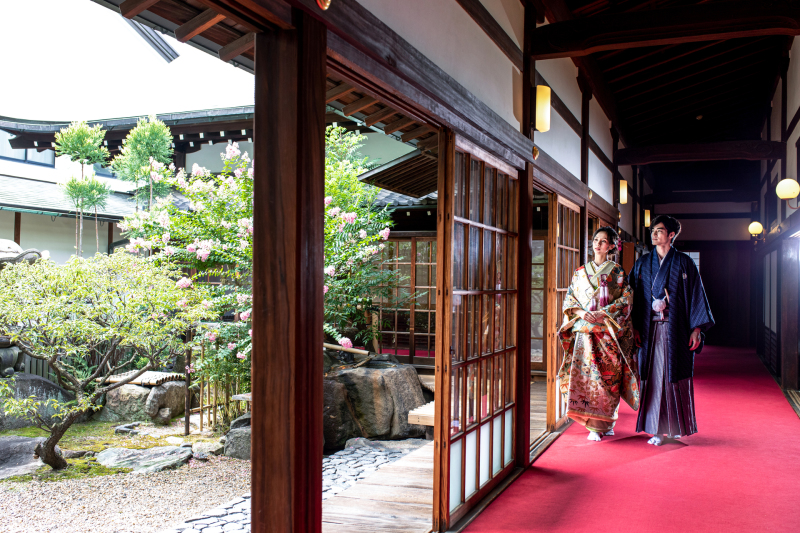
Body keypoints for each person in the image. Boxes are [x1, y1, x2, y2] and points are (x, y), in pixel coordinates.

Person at [631, 215, 714, 446]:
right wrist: (635, 327)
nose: (654, 234)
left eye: (659, 230)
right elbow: (633, 298)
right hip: (649, 331)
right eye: (652, 231)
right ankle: (656, 428)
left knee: (674, 376)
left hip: (675, 330)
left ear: (671, 235)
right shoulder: (642, 264)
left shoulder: (685, 263)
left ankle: (675, 426)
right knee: (655, 377)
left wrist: (696, 329)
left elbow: (697, 296)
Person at [558, 226, 639, 442]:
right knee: (587, 378)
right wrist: (583, 313)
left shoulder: (618, 273)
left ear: (612, 246)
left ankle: (608, 420)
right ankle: (592, 425)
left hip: (607, 333)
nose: (597, 244)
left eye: (603, 241)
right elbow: (570, 299)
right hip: (585, 333)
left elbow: (626, 300)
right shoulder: (579, 272)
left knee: (607, 379)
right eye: (595, 240)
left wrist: (603, 313)